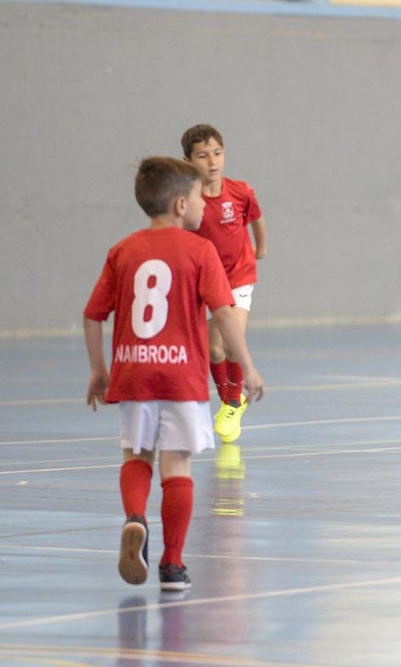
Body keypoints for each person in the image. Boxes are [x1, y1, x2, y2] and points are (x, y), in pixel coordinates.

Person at [83, 156, 265, 591]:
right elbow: (223, 313)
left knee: (137, 456)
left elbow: (93, 316)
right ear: (182, 204)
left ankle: (134, 518)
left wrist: (98, 370)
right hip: (181, 376)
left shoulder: (122, 250)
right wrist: (250, 368)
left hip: (133, 373)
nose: (206, 204)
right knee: (177, 466)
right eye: (201, 196)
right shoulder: (201, 251)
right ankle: (173, 565)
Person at [181, 124, 267, 443]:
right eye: (203, 156)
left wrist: (262, 246)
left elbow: (256, 217)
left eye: (217, 153)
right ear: (189, 160)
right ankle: (229, 397)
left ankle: (233, 402)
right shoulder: (188, 200)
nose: (212, 161)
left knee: (233, 340)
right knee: (213, 347)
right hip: (207, 281)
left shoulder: (241, 191)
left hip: (239, 275)